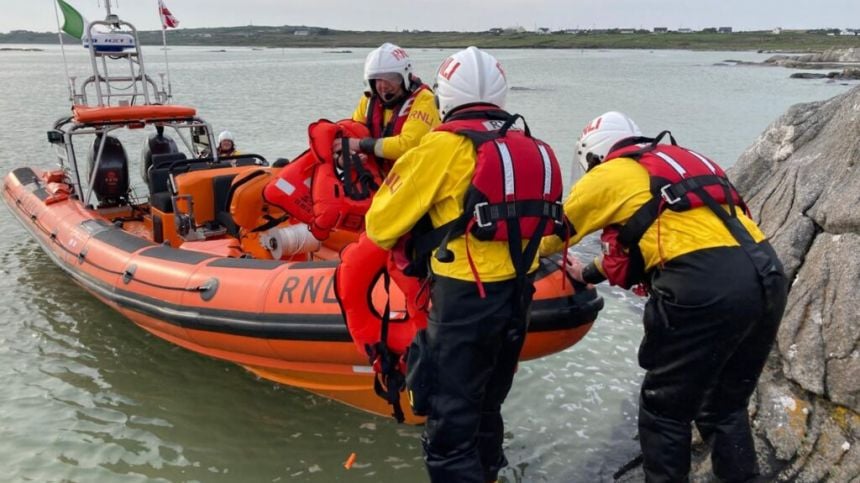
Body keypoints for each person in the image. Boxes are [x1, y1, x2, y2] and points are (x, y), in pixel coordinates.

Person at [541, 111, 788, 482]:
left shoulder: (610, 174)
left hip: (702, 286)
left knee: (664, 411)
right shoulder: (689, 161)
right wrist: (590, 272)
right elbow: (659, 236)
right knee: (725, 408)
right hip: (767, 275)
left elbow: (549, 235)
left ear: (594, 156)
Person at [361, 46, 565, 483]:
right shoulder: (531, 144)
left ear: (446, 93)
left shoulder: (442, 147)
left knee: (449, 430)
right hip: (519, 299)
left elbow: (379, 224)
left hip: (463, 302)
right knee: (487, 408)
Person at [336, 42, 439, 165]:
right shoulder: (368, 101)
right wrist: (342, 159)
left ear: (406, 76)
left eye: (391, 77)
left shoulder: (425, 100)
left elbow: (408, 145)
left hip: (413, 177)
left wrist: (360, 144)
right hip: (380, 178)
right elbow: (352, 134)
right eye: (377, 79)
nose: (383, 86)